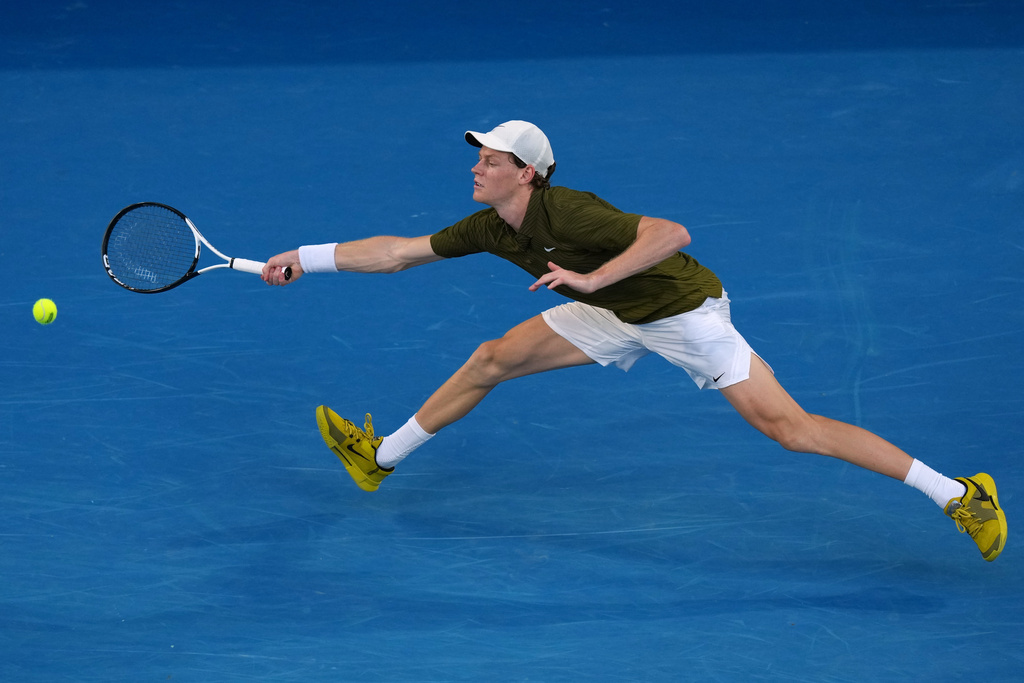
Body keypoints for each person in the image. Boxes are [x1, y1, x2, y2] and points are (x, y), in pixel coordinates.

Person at [261, 120, 1007, 562]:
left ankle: (960, 494)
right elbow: (396, 250)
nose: (475, 166)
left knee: (794, 430)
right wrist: (306, 255)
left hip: (681, 313)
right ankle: (380, 457)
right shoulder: (489, 225)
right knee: (492, 357)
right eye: (478, 156)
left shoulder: (572, 212)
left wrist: (593, 280)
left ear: (526, 172)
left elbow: (672, 234)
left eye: (489, 159)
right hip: (609, 308)